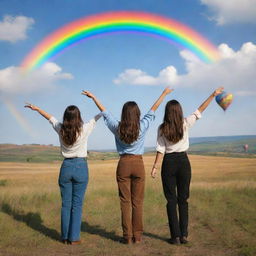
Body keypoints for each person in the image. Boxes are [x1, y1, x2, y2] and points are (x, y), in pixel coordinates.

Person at [82, 87, 173, 244]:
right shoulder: (142, 126)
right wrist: (164, 94)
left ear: (124, 114)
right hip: (138, 164)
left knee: (125, 202)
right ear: (137, 114)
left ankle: (127, 237)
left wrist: (94, 97)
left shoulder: (117, 127)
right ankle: (137, 236)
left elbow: (105, 112)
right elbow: (153, 108)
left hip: (123, 164)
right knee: (137, 202)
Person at [151, 87, 224, 245]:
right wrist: (213, 95)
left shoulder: (161, 128)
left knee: (171, 200)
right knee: (183, 199)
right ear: (179, 111)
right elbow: (200, 109)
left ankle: (175, 237)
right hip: (184, 162)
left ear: (167, 112)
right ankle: (184, 235)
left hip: (168, 163)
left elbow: (160, 150)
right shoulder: (185, 123)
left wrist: (155, 167)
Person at [25, 103, 101, 244]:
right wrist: (103, 110)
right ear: (78, 117)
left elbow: (50, 117)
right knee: (77, 205)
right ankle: (74, 238)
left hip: (65, 167)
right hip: (80, 166)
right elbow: (95, 118)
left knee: (66, 204)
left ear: (65, 117)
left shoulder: (60, 129)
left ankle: (64, 237)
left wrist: (36, 109)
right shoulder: (84, 129)